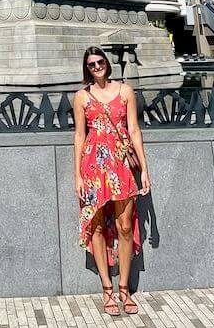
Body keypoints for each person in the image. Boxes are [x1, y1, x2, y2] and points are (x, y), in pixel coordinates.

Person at [73, 46, 151, 316]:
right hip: (93, 164)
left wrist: (145, 169)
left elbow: (134, 130)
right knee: (96, 226)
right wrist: (77, 175)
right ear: (87, 68)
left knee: (125, 226)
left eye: (100, 62)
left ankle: (124, 288)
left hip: (121, 164)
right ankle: (107, 288)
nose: (97, 67)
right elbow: (79, 136)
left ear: (107, 63)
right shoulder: (82, 97)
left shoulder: (125, 91)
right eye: (91, 64)